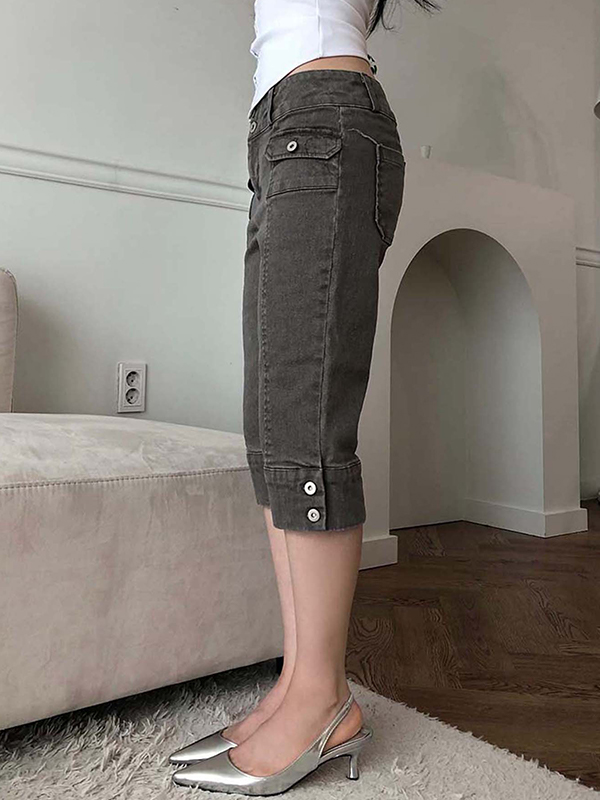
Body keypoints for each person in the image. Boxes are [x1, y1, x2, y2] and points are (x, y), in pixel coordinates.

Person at [171, 0, 440, 793]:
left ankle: (323, 699)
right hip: (286, 128)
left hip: (321, 119)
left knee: (304, 423)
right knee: (272, 426)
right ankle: (299, 685)